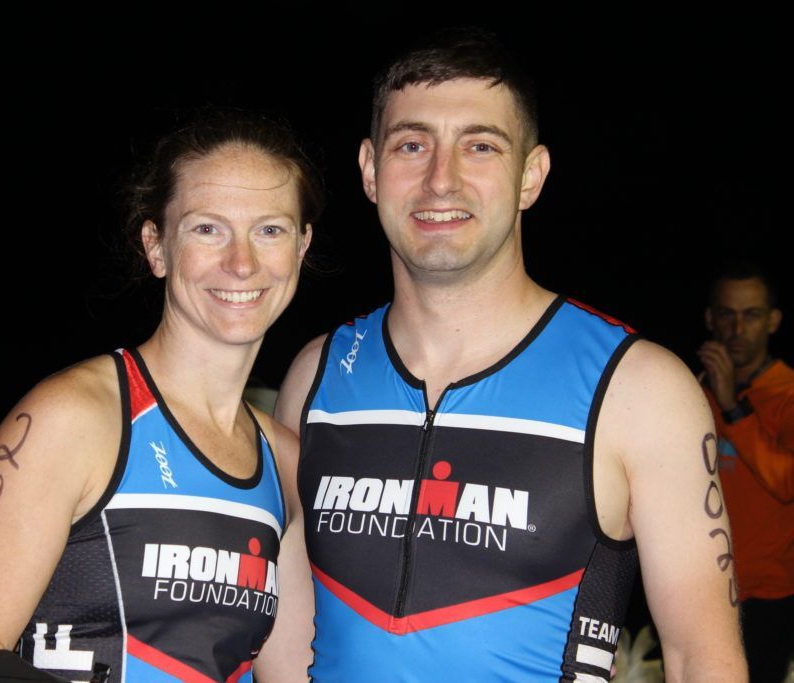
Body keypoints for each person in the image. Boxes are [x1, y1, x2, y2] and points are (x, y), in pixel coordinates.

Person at [258, 28, 747, 682]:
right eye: (412, 144)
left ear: (531, 176)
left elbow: (702, 660)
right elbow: (287, 641)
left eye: (480, 146)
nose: (441, 179)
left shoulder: (639, 388)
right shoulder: (315, 377)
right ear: (371, 170)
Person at [0, 108, 321, 683]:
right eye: (207, 229)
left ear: (302, 247)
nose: (242, 263)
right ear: (156, 247)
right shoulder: (74, 418)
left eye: (270, 230)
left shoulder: (286, 464)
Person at [698, 261, 792, 682]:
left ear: (773, 321)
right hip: (702, 587)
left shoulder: (787, 393)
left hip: (769, 594)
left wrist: (732, 407)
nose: (737, 329)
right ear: (710, 319)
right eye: (727, 314)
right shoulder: (694, 389)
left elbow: (786, 482)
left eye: (751, 315)